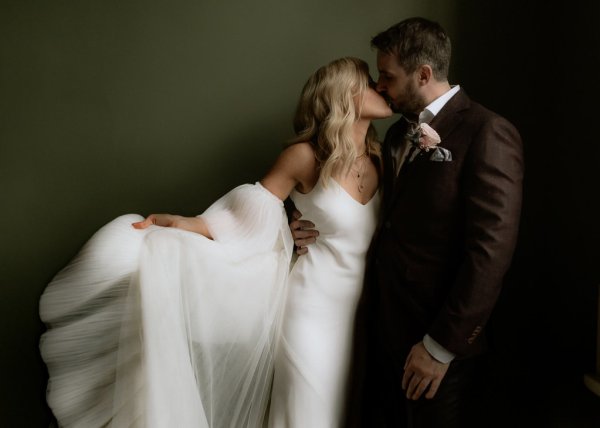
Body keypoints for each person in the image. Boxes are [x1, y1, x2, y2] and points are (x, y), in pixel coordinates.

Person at [38, 56, 392, 428]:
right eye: (370, 81)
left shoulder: (383, 159)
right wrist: (186, 224)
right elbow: (251, 214)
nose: (380, 87)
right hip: (312, 314)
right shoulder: (305, 157)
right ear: (345, 94)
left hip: (365, 317)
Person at [292, 18, 524, 428]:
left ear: (423, 74)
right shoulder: (397, 134)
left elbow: (490, 253)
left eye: (387, 76)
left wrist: (440, 347)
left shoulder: (487, 132)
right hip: (377, 332)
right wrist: (295, 226)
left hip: (436, 343)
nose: (379, 85)